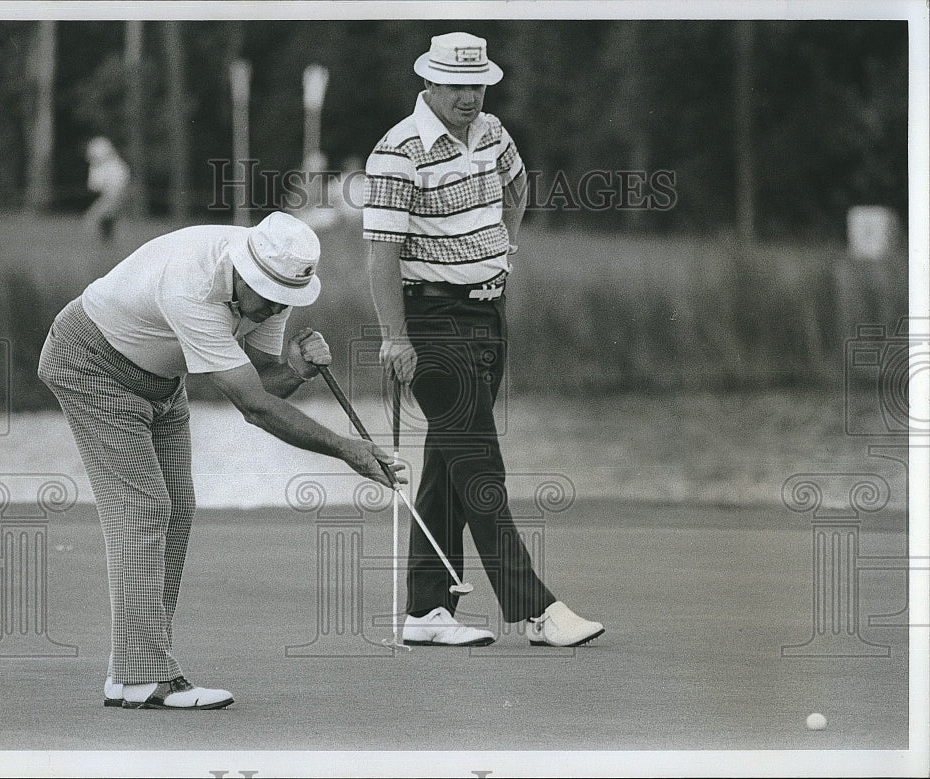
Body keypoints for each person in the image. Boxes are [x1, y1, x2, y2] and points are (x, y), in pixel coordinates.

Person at [38, 211, 402, 709]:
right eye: (269, 296)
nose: (276, 308)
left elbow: (263, 382)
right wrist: (347, 449)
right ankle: (148, 678)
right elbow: (254, 408)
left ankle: (132, 673)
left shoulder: (272, 285)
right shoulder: (193, 286)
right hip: (90, 362)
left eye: (285, 299)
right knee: (144, 509)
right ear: (245, 273)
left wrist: (294, 367)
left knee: (177, 508)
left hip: (162, 379)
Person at [363, 32, 604, 647]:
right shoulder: (398, 150)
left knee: (450, 461)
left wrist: (502, 249)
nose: (470, 96)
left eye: (477, 85)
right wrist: (394, 337)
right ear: (430, 85)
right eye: (457, 86)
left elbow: (518, 188)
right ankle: (536, 610)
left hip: (488, 315)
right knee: (480, 464)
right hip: (431, 321)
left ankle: (425, 610)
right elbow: (379, 253)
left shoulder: (494, 133)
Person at [84, 136, 131, 243]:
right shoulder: (103, 166)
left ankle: (104, 242)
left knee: (93, 219)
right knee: (106, 218)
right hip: (110, 195)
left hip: (113, 195)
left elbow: (97, 186)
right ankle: (106, 241)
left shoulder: (113, 165)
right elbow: (95, 186)